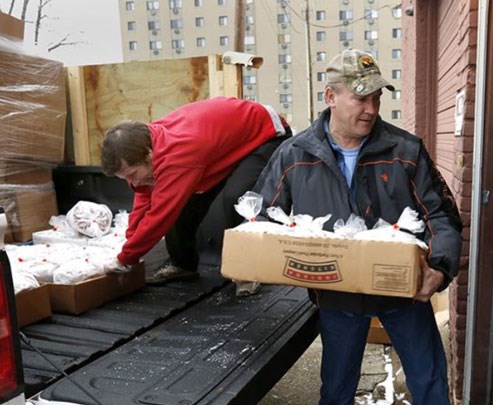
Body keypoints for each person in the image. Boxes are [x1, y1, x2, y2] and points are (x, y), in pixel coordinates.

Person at [252, 49, 462, 404]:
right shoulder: (294, 156)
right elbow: (260, 221)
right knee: (336, 389)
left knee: (428, 382)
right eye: (362, 98)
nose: (371, 109)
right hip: (337, 292)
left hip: (404, 289)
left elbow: (441, 215)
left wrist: (439, 269)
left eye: (377, 99)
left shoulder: (405, 150)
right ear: (331, 97)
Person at [101, 96, 290, 285]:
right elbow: (144, 194)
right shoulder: (145, 141)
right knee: (181, 202)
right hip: (226, 144)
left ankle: (248, 272)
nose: (131, 181)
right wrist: (129, 240)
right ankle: (182, 265)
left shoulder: (177, 156)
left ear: (148, 154)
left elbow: (159, 217)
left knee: (238, 198)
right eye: (125, 177)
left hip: (266, 134)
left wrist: (126, 258)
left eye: (132, 174)